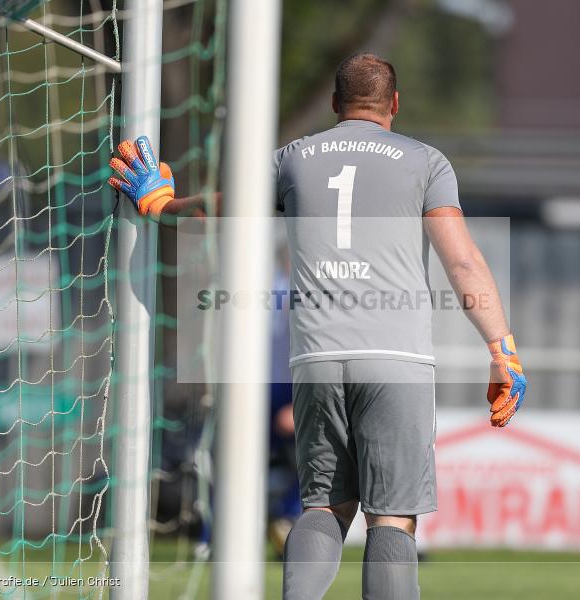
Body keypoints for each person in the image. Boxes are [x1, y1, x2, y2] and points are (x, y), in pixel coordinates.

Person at [108, 52, 526, 600]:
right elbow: (463, 262)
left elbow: (222, 209)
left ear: (334, 105)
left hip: (316, 359)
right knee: (392, 518)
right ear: (394, 105)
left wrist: (163, 204)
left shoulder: (294, 158)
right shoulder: (426, 162)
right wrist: (502, 349)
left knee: (324, 508)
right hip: (395, 360)